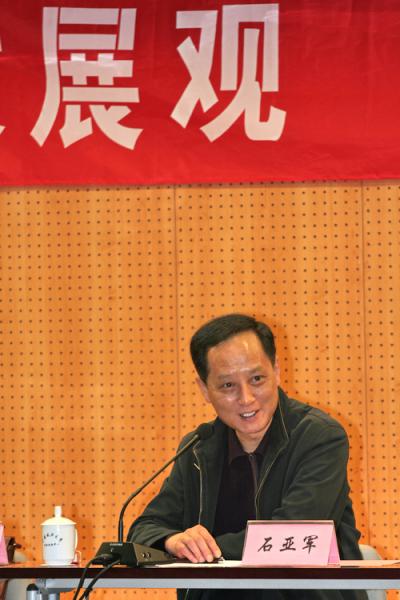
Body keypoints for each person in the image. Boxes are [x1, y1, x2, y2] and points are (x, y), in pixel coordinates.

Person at [128, 314, 367, 600]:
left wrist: (204, 550)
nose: (246, 398)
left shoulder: (320, 437)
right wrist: (173, 540)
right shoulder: (197, 449)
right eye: (228, 385)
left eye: (256, 379)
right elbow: (144, 529)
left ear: (276, 371)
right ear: (204, 389)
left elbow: (291, 534)